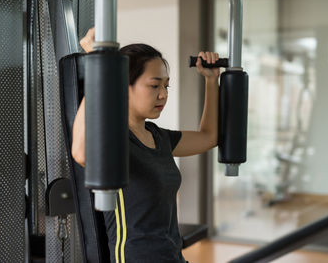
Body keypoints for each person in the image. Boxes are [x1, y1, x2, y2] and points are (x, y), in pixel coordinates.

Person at [72, 27, 220, 263]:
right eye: (154, 86)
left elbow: (209, 137)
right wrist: (98, 66)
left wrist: (212, 81)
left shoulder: (159, 138)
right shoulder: (115, 139)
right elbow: (80, 152)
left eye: (166, 86)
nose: (163, 95)